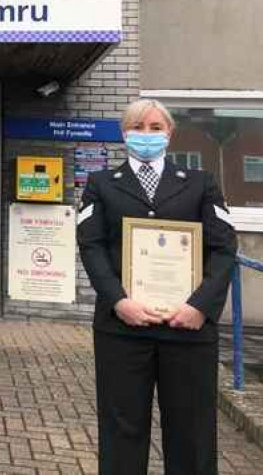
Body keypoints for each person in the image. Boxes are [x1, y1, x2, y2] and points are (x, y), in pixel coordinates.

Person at [77, 98, 237, 475]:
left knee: (192, 433)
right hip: (123, 329)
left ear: (170, 133)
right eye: (137, 127)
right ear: (124, 133)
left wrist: (200, 306)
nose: (145, 135)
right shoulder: (100, 184)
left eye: (155, 128)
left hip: (188, 329)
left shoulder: (201, 183)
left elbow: (224, 247)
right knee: (122, 431)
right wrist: (118, 301)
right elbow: (91, 245)